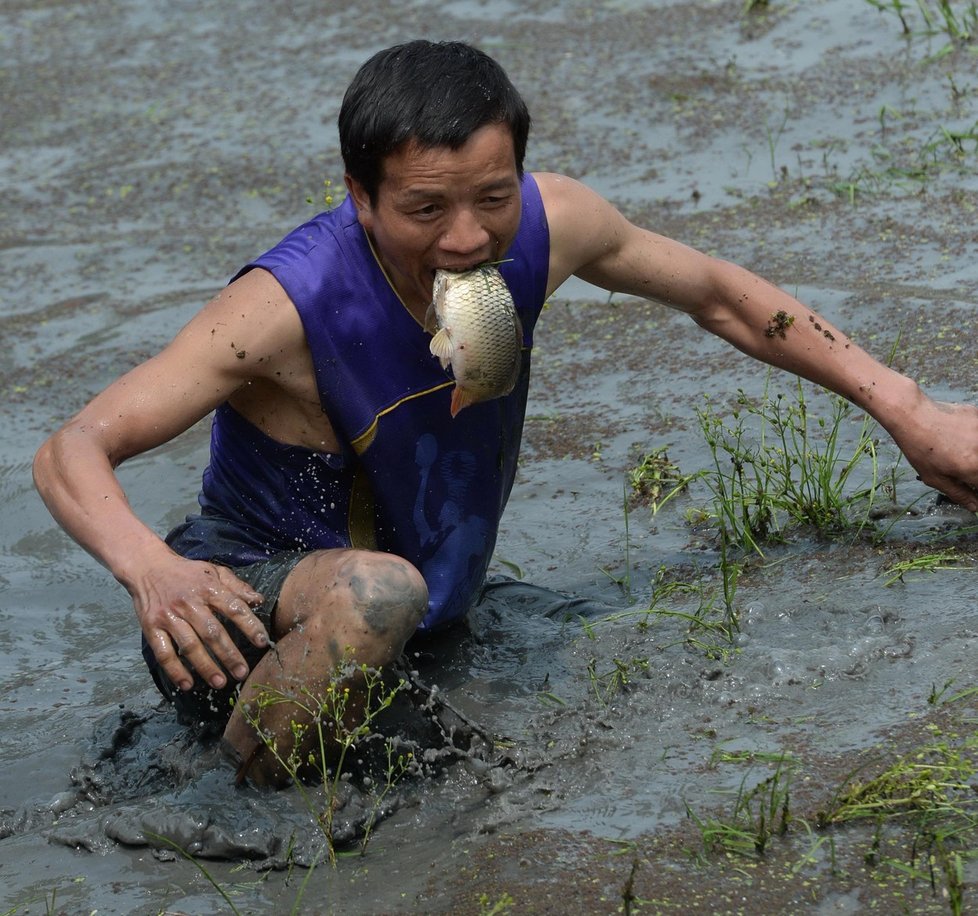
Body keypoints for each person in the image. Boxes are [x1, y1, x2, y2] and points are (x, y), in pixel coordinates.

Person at [33, 40, 978, 786]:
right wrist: (155, 572)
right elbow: (72, 447)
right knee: (380, 595)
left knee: (410, 606)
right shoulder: (278, 310)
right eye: (424, 208)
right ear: (359, 197)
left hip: (423, 614)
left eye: (493, 197)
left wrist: (912, 410)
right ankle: (240, 803)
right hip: (252, 617)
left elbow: (724, 297)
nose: (467, 237)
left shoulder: (551, 222)